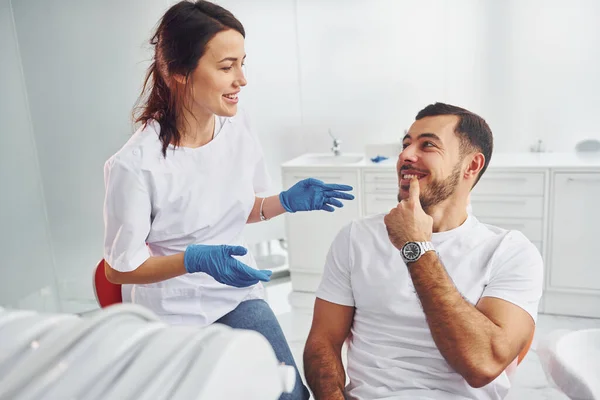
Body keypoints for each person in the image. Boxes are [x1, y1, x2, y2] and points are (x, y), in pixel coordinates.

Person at [102, 1, 354, 399]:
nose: (242, 80)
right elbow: (119, 270)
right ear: (180, 72)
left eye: (242, 63)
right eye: (226, 67)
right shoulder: (135, 165)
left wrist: (284, 202)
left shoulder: (238, 127)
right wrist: (192, 259)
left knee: (290, 394)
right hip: (173, 316)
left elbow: (246, 208)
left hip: (234, 298)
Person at [303, 102, 544, 400]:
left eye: (427, 145)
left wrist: (415, 247)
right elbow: (322, 341)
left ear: (471, 166)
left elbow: (483, 364)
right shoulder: (356, 237)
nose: (405, 155)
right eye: (405, 144)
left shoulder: (510, 252)